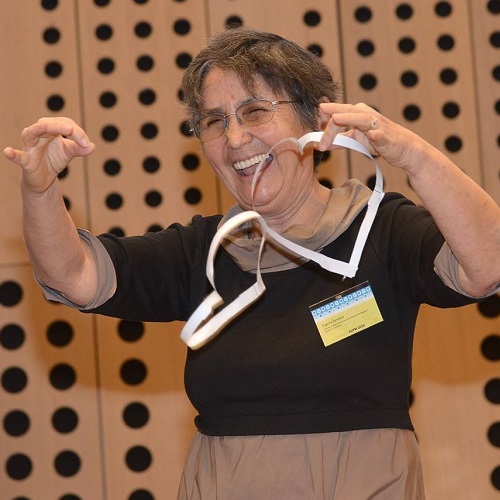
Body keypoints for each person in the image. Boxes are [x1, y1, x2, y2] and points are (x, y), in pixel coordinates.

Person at [3, 27, 500, 499]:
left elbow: (487, 266)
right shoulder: (204, 253)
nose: (235, 139)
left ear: (315, 123)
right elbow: (73, 275)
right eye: (214, 122)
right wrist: (40, 190)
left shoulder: (381, 230)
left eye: (255, 112)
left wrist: (411, 155)